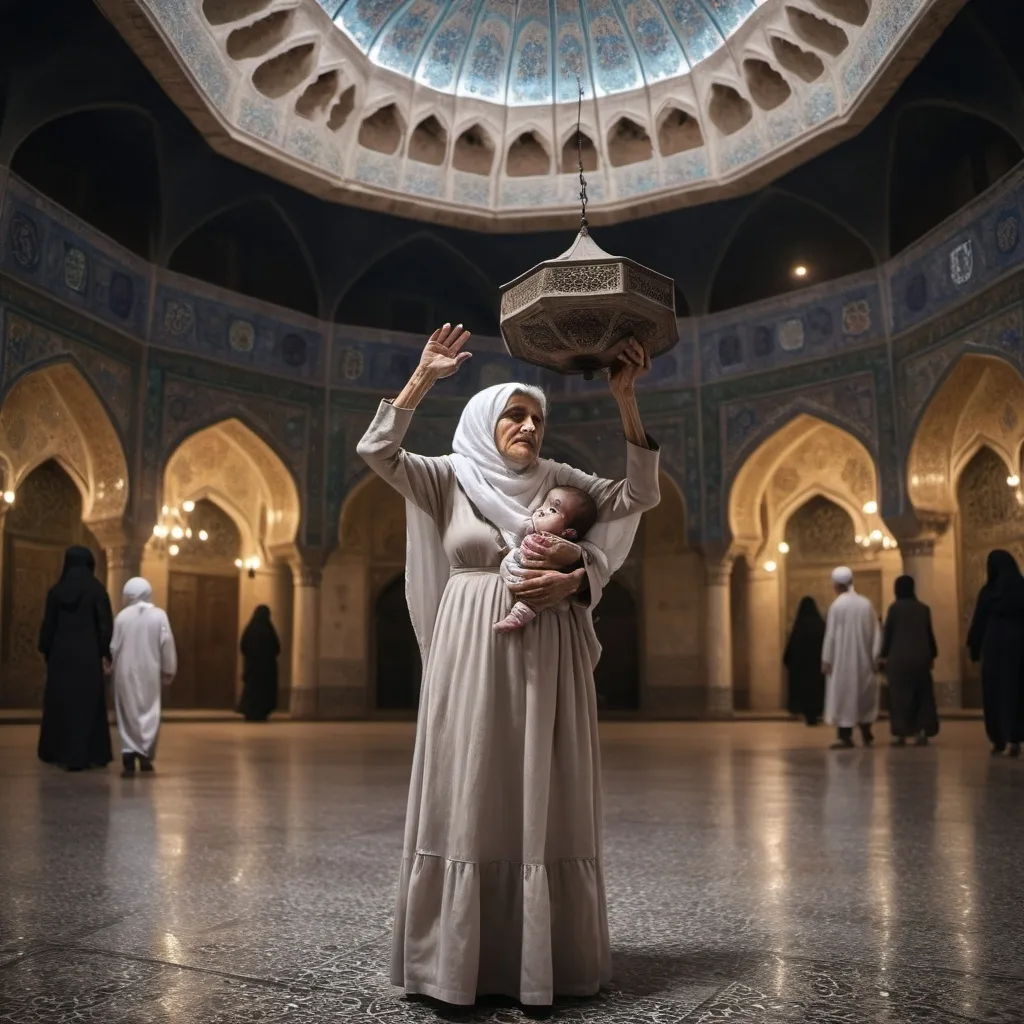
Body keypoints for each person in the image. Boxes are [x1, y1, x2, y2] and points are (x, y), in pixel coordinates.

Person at [357, 324, 659, 1006]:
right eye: (514, 414)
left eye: (536, 417)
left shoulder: (561, 481)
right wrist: (422, 379)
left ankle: (539, 958)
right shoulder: (446, 476)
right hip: (468, 650)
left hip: (546, 652)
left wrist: (626, 402)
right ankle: (453, 960)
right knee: (469, 786)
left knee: (537, 788)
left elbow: (637, 497)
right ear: (485, 421)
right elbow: (377, 449)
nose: (528, 425)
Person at [37, 545, 114, 771]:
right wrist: (104, 652)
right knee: (87, 706)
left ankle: (58, 752)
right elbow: (105, 627)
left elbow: (48, 627)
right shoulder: (97, 591)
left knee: (62, 704)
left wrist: (47, 650)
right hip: (88, 660)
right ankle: (89, 754)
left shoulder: (56, 592)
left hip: (61, 659)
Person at [493, 484, 598, 633]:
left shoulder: (556, 546)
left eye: (552, 510)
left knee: (531, 601)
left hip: (530, 586)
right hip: (515, 580)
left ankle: (519, 615)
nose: (541, 511)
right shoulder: (534, 532)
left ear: (567, 532)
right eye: (543, 505)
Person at [109, 577, 177, 775]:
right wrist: (168, 669)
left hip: (125, 672)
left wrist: (109, 664)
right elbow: (167, 643)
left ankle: (129, 753)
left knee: (128, 711)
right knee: (149, 710)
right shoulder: (159, 616)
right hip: (150, 671)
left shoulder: (122, 617)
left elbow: (113, 645)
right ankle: (145, 754)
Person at [967, 549, 1024, 757]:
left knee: (994, 693)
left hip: (993, 648)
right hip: (1018, 648)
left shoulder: (988, 592)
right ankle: (1016, 738)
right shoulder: (1021, 587)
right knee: (1016, 693)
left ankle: (998, 739)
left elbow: (978, 622)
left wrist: (974, 649)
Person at [822, 566, 881, 749]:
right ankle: (866, 732)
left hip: (842, 662)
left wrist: (827, 659)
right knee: (863, 696)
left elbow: (830, 635)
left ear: (836, 585)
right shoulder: (866, 604)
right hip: (864, 660)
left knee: (844, 696)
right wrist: (875, 656)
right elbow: (876, 633)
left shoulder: (837, 606)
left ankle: (845, 737)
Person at [878, 575, 939, 747]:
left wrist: (883, 656)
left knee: (899, 698)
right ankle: (922, 732)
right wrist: (932, 655)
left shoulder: (895, 609)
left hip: (898, 660)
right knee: (922, 696)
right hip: (921, 658)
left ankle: (901, 734)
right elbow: (929, 634)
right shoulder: (923, 608)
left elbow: (888, 634)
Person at [783, 596, 826, 726]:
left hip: (802, 671)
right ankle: (817, 713)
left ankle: (808, 715)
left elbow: (790, 651)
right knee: (817, 692)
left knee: (805, 693)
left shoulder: (799, 627)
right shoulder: (821, 626)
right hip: (818, 670)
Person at [238, 605, 281, 721]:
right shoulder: (269, 630)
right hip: (267, 669)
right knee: (264, 692)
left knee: (252, 690)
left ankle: (250, 712)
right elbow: (277, 648)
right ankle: (262, 713)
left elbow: (243, 646)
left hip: (252, 667)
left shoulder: (250, 629)